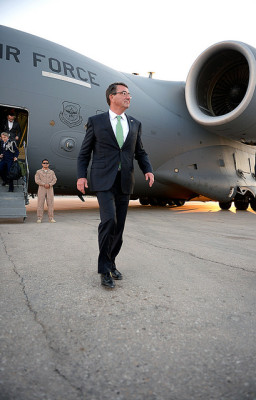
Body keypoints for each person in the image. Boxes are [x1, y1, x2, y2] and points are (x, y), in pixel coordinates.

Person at [77, 82, 154, 289]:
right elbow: (84, 153)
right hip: (103, 178)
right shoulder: (96, 121)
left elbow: (140, 152)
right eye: (124, 93)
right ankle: (104, 269)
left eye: (129, 94)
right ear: (112, 97)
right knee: (109, 221)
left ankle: (111, 262)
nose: (128, 96)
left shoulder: (135, 123)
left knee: (119, 227)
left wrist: (147, 169)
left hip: (125, 180)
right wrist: (81, 176)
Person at [35, 159, 57, 223]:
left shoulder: (52, 172)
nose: (45, 164)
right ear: (42, 164)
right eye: (44, 163)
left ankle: (51, 218)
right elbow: (37, 180)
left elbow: (54, 179)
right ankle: (39, 218)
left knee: (50, 203)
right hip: (42, 188)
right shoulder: (38, 172)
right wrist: (44, 184)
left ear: (48, 164)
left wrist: (49, 184)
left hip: (50, 189)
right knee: (40, 203)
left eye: (46, 163)